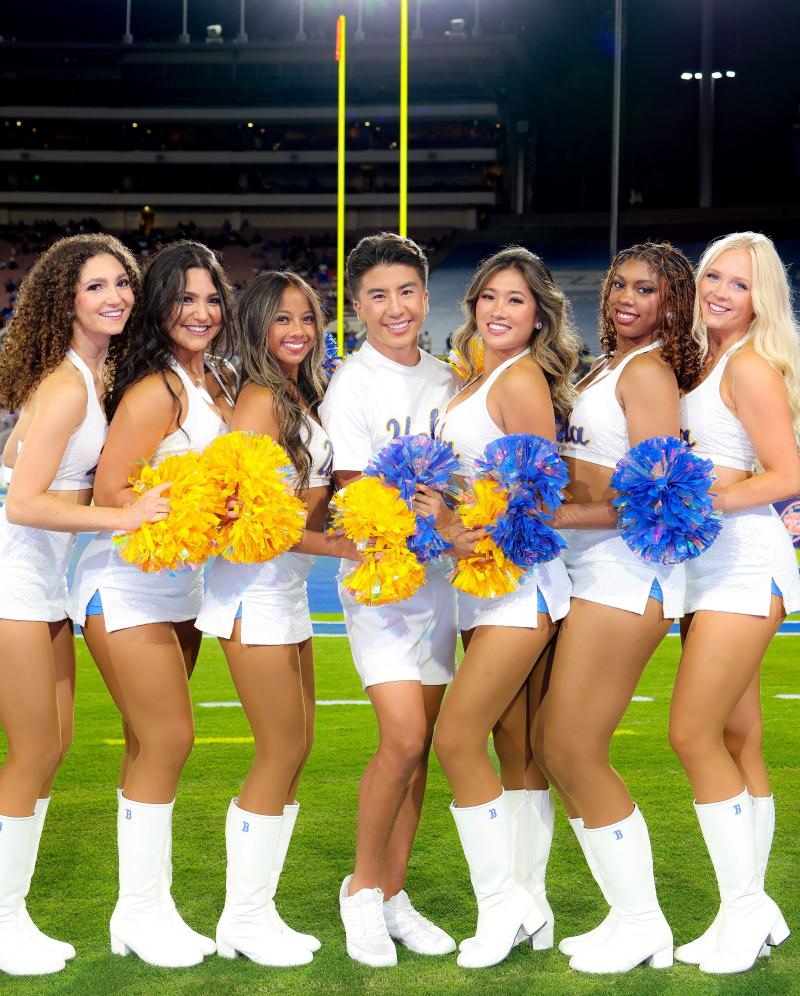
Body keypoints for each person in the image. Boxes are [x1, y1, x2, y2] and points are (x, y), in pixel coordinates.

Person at [0, 234, 169, 977]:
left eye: (122, 285)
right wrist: (124, 519)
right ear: (65, 297)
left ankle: (13, 914)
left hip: (44, 585)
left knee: (54, 745)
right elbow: (26, 504)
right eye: (96, 286)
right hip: (13, 576)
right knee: (34, 750)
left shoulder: (88, 376)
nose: (115, 298)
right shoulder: (67, 386)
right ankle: (3, 922)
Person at [67, 241, 236, 969]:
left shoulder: (215, 383)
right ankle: (139, 911)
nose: (200, 313)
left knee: (148, 745)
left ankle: (147, 910)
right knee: (169, 741)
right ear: (159, 306)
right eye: (184, 299)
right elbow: (111, 494)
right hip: (125, 583)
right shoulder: (156, 390)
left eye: (211, 298)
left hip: (180, 587)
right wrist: (186, 507)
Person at [541, 242, 701, 974]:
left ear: (675, 303)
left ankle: (643, 922)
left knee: (572, 746)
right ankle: (625, 915)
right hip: (587, 570)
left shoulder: (649, 372)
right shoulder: (604, 366)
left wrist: (563, 520)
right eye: (619, 287)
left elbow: (656, 498)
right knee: (554, 743)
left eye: (648, 290)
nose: (628, 299)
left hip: (625, 572)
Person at [425, 246, 580, 968]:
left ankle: (501, 905)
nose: (496, 310)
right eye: (487, 297)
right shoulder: (472, 379)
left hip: (518, 584)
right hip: (482, 587)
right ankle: (534, 906)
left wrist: (456, 529)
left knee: (457, 738)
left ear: (539, 313)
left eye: (514, 299)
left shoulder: (520, 381)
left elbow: (539, 498)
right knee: (515, 749)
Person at [196, 271, 356, 966]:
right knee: (281, 750)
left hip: (286, 592)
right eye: (281, 319)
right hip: (252, 592)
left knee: (298, 750)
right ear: (257, 325)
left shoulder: (302, 395)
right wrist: (343, 543)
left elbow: (310, 504)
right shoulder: (260, 400)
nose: (297, 330)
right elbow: (251, 522)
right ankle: (243, 916)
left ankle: (257, 910)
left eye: (307, 318)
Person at [319, 233, 457, 967]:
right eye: (377, 294)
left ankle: (396, 895)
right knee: (401, 737)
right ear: (356, 306)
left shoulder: (449, 378)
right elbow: (352, 496)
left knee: (422, 748)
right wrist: (417, 514)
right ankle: (362, 892)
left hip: (442, 585)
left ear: (425, 296)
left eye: (406, 291)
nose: (394, 307)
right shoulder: (353, 384)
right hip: (381, 581)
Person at [670, 232, 800, 974]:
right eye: (712, 275)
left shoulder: (748, 365)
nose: (719, 290)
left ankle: (743, 912)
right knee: (739, 737)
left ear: (762, 300)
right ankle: (755, 908)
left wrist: (706, 500)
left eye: (739, 284)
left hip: (745, 567)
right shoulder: (707, 360)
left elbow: (786, 474)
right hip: (712, 568)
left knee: (692, 733)